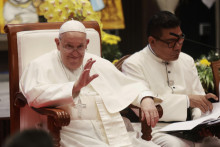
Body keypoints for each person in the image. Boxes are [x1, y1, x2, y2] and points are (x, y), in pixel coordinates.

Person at [19, 20, 163, 147]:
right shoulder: (40, 65)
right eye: (69, 46)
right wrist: (74, 88)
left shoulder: (97, 63)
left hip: (112, 131)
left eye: (80, 47)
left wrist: (146, 99)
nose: (75, 53)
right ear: (58, 43)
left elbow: (128, 85)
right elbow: (34, 95)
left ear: (87, 44)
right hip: (72, 133)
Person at [122, 11, 219, 147]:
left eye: (180, 39)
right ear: (152, 41)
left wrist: (201, 124)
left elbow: (199, 100)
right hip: (155, 130)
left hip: (189, 129)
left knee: (215, 143)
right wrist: (188, 100)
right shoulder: (134, 64)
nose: (178, 46)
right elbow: (144, 107)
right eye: (171, 42)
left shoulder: (187, 60)